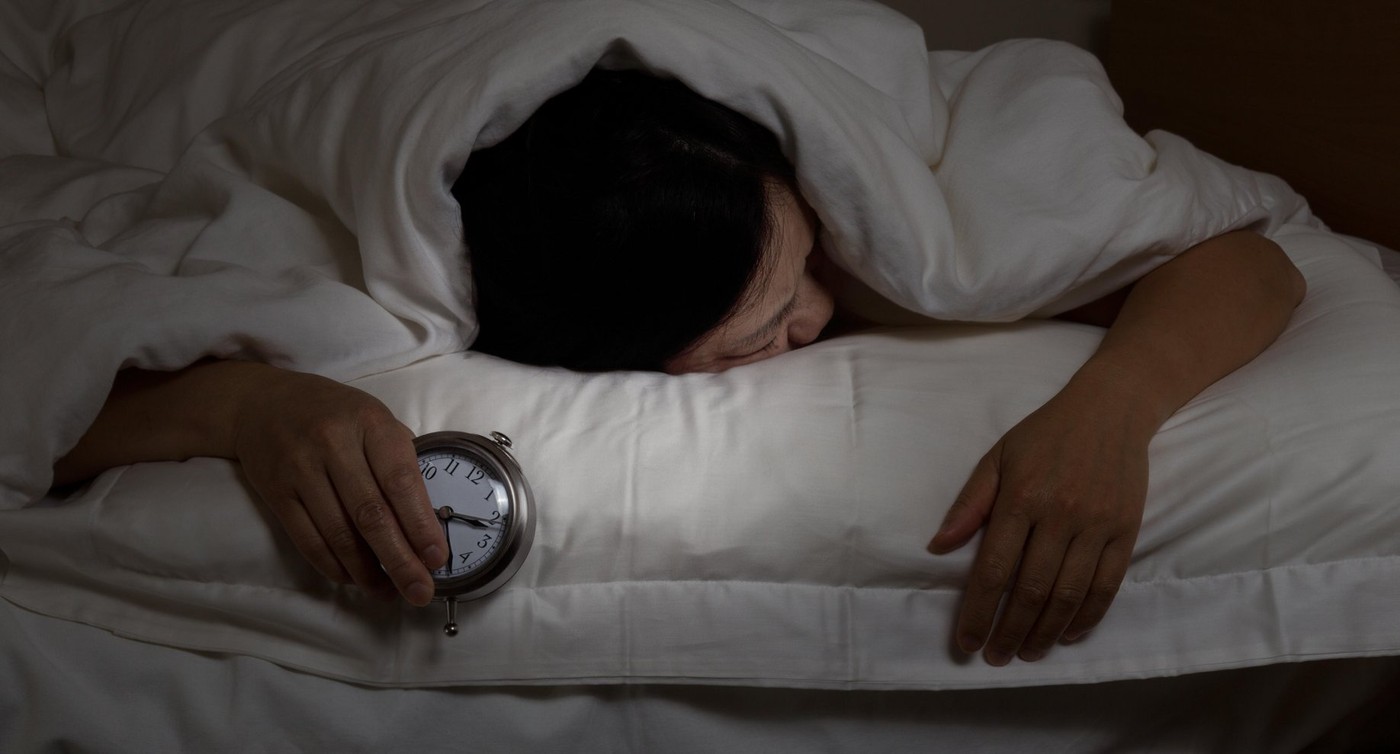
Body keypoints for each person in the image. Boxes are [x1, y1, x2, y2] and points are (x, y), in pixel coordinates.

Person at [51, 69, 1305, 666]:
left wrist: (1108, 413)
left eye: (808, 263)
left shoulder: (784, 162)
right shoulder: (420, 253)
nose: (818, 314)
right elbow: (48, 361)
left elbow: (1251, 257)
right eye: (758, 330)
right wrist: (255, 399)